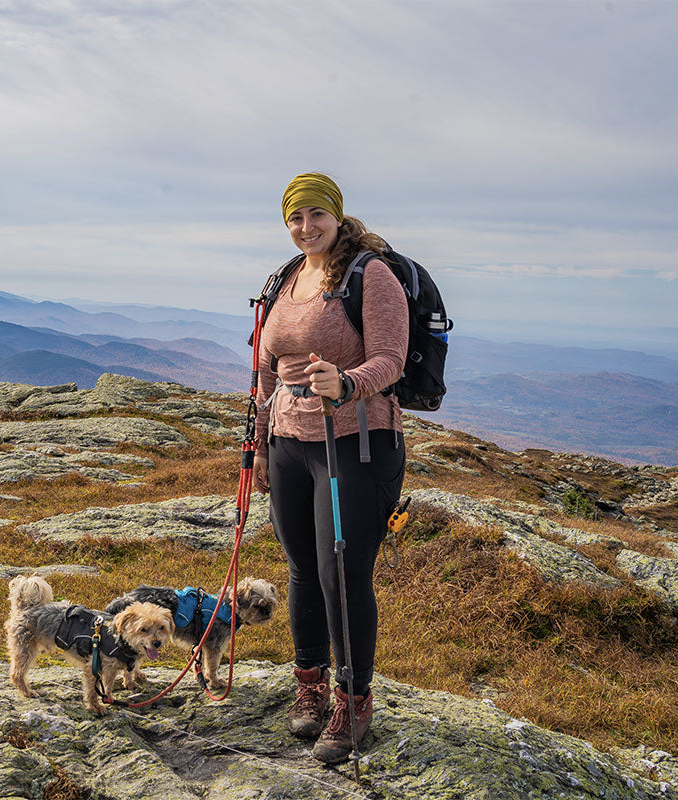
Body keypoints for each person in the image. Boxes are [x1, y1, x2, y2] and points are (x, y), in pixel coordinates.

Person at [252, 172, 408, 764]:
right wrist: (263, 441)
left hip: (355, 444)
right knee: (301, 569)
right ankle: (311, 683)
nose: (305, 227)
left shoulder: (372, 275)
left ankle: (353, 699)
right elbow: (267, 363)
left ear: (337, 217)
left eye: (316, 215)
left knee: (341, 572)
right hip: (290, 442)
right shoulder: (286, 278)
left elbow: (391, 359)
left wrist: (346, 383)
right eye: (294, 217)